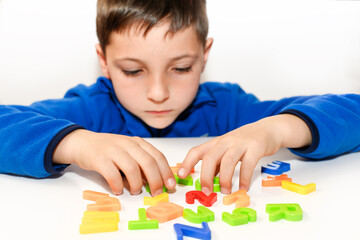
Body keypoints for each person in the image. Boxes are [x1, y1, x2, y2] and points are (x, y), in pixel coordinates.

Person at [0, 0, 359, 197]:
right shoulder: (90, 109)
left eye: (182, 67)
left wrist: (277, 129)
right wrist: (75, 143)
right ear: (104, 62)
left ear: (204, 56)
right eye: (133, 71)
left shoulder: (224, 107)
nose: (159, 93)